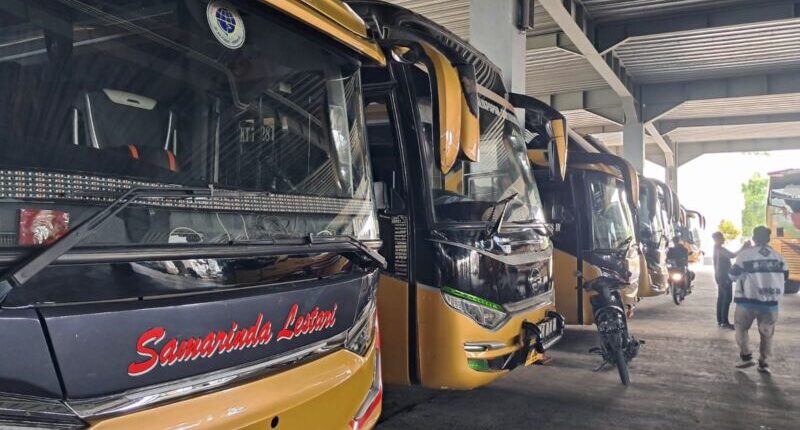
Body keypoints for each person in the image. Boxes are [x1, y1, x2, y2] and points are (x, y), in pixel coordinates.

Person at [730, 226, 789, 374]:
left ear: (754, 238)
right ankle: (764, 363)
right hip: (770, 304)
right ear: (768, 239)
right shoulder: (779, 257)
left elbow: (732, 276)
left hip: (747, 302)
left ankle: (746, 356)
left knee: (741, 328)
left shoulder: (745, 255)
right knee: (767, 333)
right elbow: (785, 277)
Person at [712, 232, 746, 329]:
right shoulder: (720, 249)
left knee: (721, 298)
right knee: (726, 299)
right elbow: (732, 255)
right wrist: (743, 247)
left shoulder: (716, 248)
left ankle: (720, 320)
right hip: (724, 276)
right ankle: (725, 322)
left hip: (719, 276)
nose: (723, 239)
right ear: (717, 239)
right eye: (721, 237)